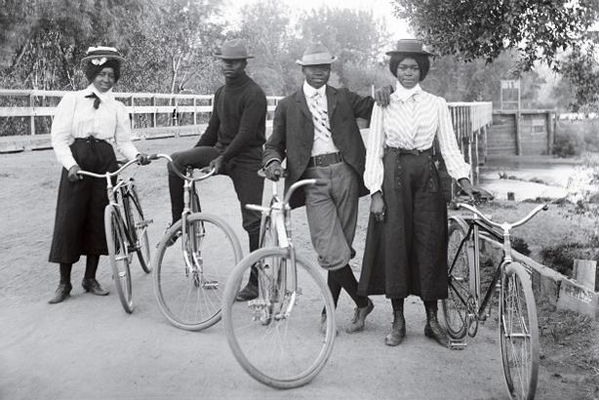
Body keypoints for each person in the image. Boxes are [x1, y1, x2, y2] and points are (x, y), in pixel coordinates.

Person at [357, 39, 483, 347]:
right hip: (394, 175)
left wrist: (464, 181)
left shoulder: (436, 104)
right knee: (395, 244)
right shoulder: (383, 103)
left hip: (427, 175)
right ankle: (398, 321)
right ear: (395, 70)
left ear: (422, 70)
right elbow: (373, 150)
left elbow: (450, 146)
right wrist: (375, 192)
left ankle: (431, 321)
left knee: (431, 244)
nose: (409, 73)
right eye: (403, 67)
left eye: (414, 67)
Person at [263, 43, 379, 333]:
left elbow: (375, 107)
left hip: (347, 174)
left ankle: (329, 311)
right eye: (314, 68)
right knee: (330, 249)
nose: (319, 73)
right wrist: (274, 162)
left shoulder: (343, 98)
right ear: (303, 70)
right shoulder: (288, 106)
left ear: (330, 69)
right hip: (311, 178)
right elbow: (274, 144)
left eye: (325, 68)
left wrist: (389, 94)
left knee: (339, 248)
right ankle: (362, 301)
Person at [166, 39, 266, 301]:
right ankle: (178, 224)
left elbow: (245, 135)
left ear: (244, 64)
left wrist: (222, 158)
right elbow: (212, 130)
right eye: (225, 61)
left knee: (253, 220)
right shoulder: (221, 93)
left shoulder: (254, 94)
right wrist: (192, 157)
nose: (229, 66)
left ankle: (255, 281)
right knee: (175, 162)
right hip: (222, 150)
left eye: (234, 62)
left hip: (247, 158)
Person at [48, 46, 150, 304]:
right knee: (69, 219)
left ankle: (90, 278)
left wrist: (136, 155)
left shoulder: (117, 107)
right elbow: (59, 138)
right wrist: (70, 164)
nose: (106, 79)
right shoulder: (71, 100)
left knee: (100, 218)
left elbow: (123, 141)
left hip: (105, 162)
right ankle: (64, 283)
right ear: (92, 74)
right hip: (78, 162)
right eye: (102, 73)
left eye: (111, 75)